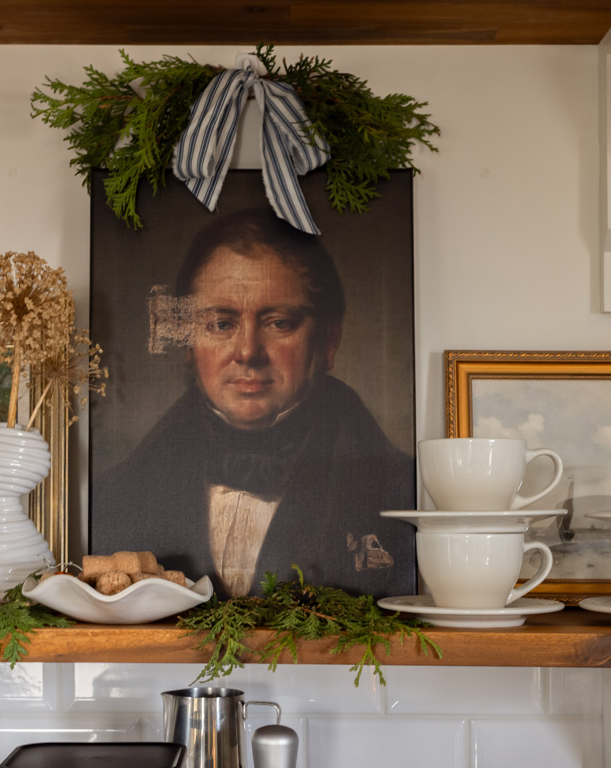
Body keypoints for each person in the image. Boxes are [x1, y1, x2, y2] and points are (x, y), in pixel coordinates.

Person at [93, 208, 415, 597]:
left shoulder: (399, 492)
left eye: (278, 322)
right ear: (188, 343)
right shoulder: (116, 497)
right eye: (221, 324)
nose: (247, 351)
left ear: (328, 343)